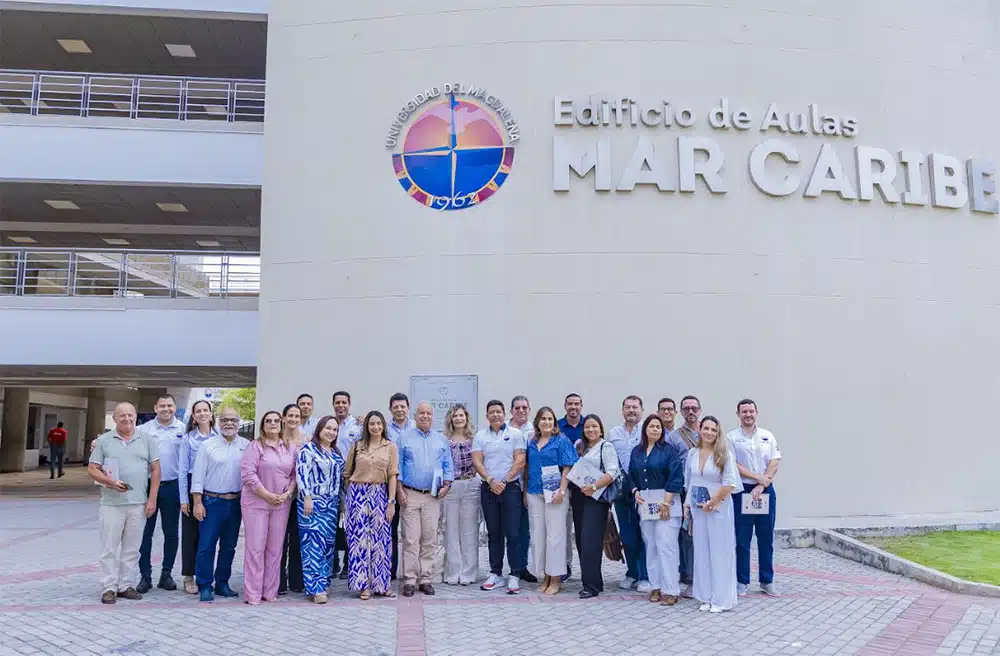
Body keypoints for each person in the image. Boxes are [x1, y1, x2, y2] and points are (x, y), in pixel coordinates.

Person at [88, 403, 160, 604]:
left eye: (130, 415)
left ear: (136, 417)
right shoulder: (104, 441)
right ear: (114, 419)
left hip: (138, 503)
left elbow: (156, 469)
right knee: (109, 548)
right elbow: (92, 469)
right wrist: (110, 482)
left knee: (132, 548)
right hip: (111, 504)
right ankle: (109, 587)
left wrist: (152, 499)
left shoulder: (146, 439)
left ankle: (125, 585)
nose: (126, 419)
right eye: (122, 415)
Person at [684, 415, 741, 613]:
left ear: (718, 433)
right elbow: (690, 481)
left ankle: (721, 599)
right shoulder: (692, 453)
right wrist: (687, 505)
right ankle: (705, 596)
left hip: (718, 509)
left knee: (719, 552)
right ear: (699, 430)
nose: (709, 432)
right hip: (698, 509)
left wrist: (713, 502)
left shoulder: (724, 454)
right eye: (706, 428)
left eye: (713, 430)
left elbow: (730, 483)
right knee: (701, 552)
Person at [190, 406, 248, 602]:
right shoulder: (207, 446)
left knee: (229, 546)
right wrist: (197, 503)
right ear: (219, 421)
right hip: (212, 502)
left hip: (236, 503)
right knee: (206, 546)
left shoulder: (246, 446)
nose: (229, 423)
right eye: (225, 420)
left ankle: (222, 583)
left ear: (238, 423)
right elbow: (198, 476)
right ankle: (205, 584)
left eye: (233, 420)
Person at [240, 410, 296, 605]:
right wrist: (266, 495)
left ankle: (269, 591)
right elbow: (248, 475)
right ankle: (253, 593)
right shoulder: (255, 447)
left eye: (276, 421)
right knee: (256, 548)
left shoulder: (289, 447)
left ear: (281, 424)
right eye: (268, 421)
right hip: (256, 504)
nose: (272, 423)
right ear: (262, 426)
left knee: (275, 549)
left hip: (281, 504)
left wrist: (288, 493)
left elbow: (294, 475)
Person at [727, 398, 782, 598]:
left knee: (765, 537)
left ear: (756, 412)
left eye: (751, 411)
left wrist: (762, 483)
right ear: (738, 414)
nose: (748, 415)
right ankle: (742, 581)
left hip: (765, 490)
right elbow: (733, 464)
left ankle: (767, 581)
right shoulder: (731, 437)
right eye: (744, 412)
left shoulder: (767, 436)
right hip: (742, 491)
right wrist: (756, 478)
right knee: (742, 539)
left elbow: (775, 461)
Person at [627, 414, 684, 606]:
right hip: (646, 505)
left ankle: (671, 589)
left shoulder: (669, 451)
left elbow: (676, 477)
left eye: (658, 427)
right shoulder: (637, 451)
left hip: (667, 503)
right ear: (645, 429)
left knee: (666, 546)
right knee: (651, 545)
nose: (655, 429)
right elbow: (631, 475)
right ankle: (656, 586)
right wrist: (635, 491)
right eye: (651, 426)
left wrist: (666, 503)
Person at [398, 402, 454, 597]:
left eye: (428, 413)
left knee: (429, 538)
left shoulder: (441, 440)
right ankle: (410, 579)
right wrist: (400, 491)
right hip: (410, 494)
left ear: (433, 416)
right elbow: (398, 467)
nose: (425, 416)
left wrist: (447, 485)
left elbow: (448, 465)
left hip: (432, 496)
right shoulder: (404, 438)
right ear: (415, 416)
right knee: (411, 539)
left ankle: (425, 578)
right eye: (421, 413)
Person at [472, 399, 526, 594]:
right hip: (489, 488)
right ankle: (496, 573)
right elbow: (477, 461)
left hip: (510, 488)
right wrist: (490, 480)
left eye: (498, 411)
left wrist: (504, 481)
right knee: (494, 533)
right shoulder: (480, 436)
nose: (495, 414)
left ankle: (514, 575)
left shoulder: (515, 434)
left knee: (513, 533)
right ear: (487, 415)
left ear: (505, 414)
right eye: (491, 412)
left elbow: (520, 460)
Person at [344, 410, 399, 600]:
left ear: (383, 425)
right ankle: (362, 585)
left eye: (379, 423)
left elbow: (392, 475)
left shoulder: (390, 446)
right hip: (357, 494)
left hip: (380, 493)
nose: (375, 427)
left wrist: (391, 502)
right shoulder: (358, 446)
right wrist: (351, 496)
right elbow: (347, 473)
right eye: (372, 424)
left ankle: (381, 585)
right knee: (359, 540)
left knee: (381, 541)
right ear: (366, 426)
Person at [524, 406, 577, 595]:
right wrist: (525, 492)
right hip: (534, 492)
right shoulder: (532, 442)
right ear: (537, 422)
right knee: (538, 535)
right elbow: (527, 467)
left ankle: (556, 578)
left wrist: (562, 490)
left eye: (550, 419)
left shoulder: (561, 440)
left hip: (555, 493)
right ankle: (546, 575)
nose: (547, 422)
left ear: (554, 422)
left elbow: (568, 466)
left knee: (555, 536)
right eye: (543, 419)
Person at [136, 393, 185, 594]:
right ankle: (145, 576)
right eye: (162, 406)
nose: (166, 409)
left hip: (173, 487)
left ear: (175, 407)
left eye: (169, 406)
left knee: (171, 533)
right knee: (145, 533)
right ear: (155, 408)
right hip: (147, 487)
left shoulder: (183, 430)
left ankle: (166, 574)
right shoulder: (143, 430)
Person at [296, 415, 344, 604]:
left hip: (331, 506)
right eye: (328, 428)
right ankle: (315, 588)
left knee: (328, 546)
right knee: (312, 547)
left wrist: (342, 503)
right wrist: (307, 497)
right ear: (319, 429)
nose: (331, 432)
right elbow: (301, 473)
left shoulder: (336, 453)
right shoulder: (308, 449)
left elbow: (340, 481)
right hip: (312, 504)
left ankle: (324, 582)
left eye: (334, 429)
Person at [569, 414, 618, 598]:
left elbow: (613, 472)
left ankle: (592, 586)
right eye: (587, 427)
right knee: (581, 540)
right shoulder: (580, 447)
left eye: (594, 426)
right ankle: (590, 580)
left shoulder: (606, 446)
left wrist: (595, 487)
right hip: (579, 497)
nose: (591, 430)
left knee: (591, 541)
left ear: (601, 429)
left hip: (596, 498)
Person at [608, 395, 650, 592]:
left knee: (645, 533)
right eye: (627, 407)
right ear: (622, 410)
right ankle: (632, 572)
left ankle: (645, 575)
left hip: (643, 488)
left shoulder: (647, 430)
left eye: (635, 407)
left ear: (641, 410)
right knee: (627, 534)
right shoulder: (614, 433)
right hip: (621, 489)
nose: (631, 410)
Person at [178, 400, 218, 595]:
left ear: (211, 413)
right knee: (190, 535)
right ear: (193, 416)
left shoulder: (219, 437)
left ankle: (206, 575)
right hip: (192, 486)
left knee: (208, 536)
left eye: (205, 410)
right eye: (198, 411)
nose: (202, 413)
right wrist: (184, 500)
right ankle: (188, 576)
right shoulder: (188, 439)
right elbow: (182, 470)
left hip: (213, 488)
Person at [667, 394, 702, 597]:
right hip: (683, 491)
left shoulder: (708, 432)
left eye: (694, 408)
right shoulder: (674, 437)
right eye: (686, 408)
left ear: (700, 410)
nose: (690, 411)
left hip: (706, 491)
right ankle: (688, 575)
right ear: (680, 412)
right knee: (687, 533)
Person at [441, 404, 479, 585]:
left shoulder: (474, 439)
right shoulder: (444, 440)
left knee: (469, 531)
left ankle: (469, 572)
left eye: (461, 415)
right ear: (450, 419)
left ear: (466, 418)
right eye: (455, 416)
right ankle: (453, 571)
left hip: (470, 486)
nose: (458, 418)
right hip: (451, 487)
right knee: (451, 531)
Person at [508, 395, 538, 583]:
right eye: (517, 408)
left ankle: (522, 567)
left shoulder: (534, 431)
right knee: (509, 530)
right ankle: (510, 568)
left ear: (529, 410)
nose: (521, 410)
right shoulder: (503, 429)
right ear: (511, 410)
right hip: (507, 485)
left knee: (524, 530)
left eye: (524, 407)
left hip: (527, 486)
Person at [278, 403, 307, 595]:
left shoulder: (305, 439)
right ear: (283, 417)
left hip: (299, 497)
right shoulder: (276, 437)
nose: (294, 419)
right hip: (279, 496)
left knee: (297, 539)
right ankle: (279, 580)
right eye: (290, 416)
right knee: (279, 540)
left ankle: (296, 580)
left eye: (297, 416)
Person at [332, 390, 361, 579]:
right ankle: (333, 563)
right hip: (331, 481)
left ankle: (349, 564)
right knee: (333, 522)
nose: (341, 405)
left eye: (344, 402)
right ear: (333, 404)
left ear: (349, 404)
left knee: (351, 522)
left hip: (351, 481)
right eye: (337, 402)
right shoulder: (329, 424)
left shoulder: (358, 426)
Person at [386, 392, 413, 580]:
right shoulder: (385, 430)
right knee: (390, 531)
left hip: (412, 487)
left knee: (412, 533)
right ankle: (391, 570)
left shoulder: (416, 428)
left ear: (408, 408)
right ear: (390, 409)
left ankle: (411, 572)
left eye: (402, 406)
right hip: (389, 485)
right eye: (396, 407)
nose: (399, 409)